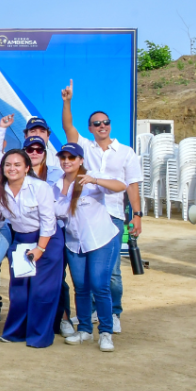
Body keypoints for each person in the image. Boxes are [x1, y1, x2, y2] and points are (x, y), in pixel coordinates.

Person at [61, 80, 142, 334]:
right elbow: (68, 127)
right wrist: (67, 102)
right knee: (86, 275)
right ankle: (93, 313)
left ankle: (113, 313)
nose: (102, 126)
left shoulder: (126, 152)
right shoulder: (85, 147)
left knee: (112, 272)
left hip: (114, 214)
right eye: (96, 123)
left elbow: (131, 185)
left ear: (110, 125)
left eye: (105, 122)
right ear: (90, 128)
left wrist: (136, 215)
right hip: (86, 214)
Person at [0, 149, 60, 348]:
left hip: (47, 241)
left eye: (17, 165)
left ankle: (39, 336)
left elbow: (49, 221)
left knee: (41, 291)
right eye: (8, 165)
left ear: (26, 168)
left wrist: (40, 249)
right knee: (19, 290)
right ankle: (16, 332)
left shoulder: (40, 187)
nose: (12, 168)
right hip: (22, 240)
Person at [54, 143, 127, 352]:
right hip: (74, 243)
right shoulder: (57, 184)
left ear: (81, 160)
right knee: (81, 287)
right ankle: (85, 330)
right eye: (63, 157)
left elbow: (120, 185)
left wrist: (94, 180)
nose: (67, 161)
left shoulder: (92, 177)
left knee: (99, 285)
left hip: (100, 240)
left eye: (72, 157)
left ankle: (106, 332)